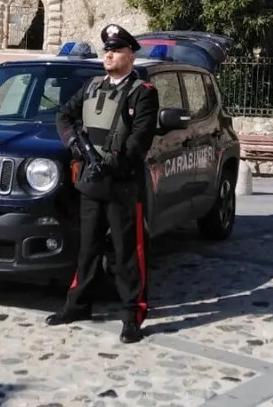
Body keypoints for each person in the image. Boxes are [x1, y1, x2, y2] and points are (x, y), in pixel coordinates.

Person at [47, 23, 160, 344]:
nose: (109, 55)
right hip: (89, 183)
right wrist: (76, 148)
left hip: (122, 185)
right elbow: (64, 116)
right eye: (106, 50)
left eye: (116, 50)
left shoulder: (143, 93)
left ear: (131, 56)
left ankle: (132, 315)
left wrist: (108, 165)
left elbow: (139, 141)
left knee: (127, 254)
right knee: (87, 250)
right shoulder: (92, 86)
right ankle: (77, 305)